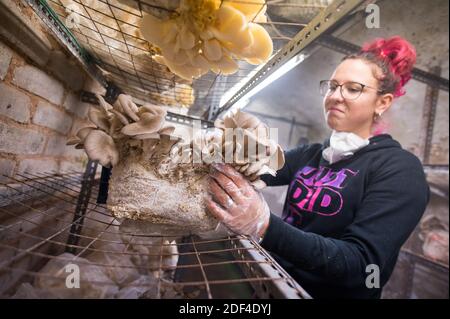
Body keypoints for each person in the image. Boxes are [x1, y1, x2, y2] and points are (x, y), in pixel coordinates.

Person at [205, 36, 430, 299]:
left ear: (382, 102)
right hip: (273, 285)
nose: (335, 96)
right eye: (333, 86)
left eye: (353, 88)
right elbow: (256, 169)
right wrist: (228, 148)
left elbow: (360, 264)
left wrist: (264, 224)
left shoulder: (399, 170)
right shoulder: (313, 154)